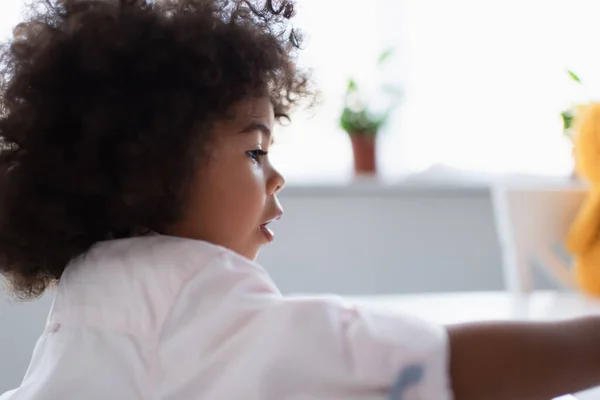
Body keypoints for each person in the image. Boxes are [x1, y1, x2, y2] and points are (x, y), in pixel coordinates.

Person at [0, 1, 599, 399]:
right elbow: (423, 364)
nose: (275, 176)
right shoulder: (188, 289)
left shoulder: (95, 284)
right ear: (148, 168)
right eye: (255, 153)